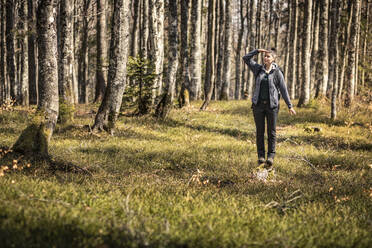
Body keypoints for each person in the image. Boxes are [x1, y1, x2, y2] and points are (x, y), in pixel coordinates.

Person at [243, 48, 296, 167]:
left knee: (272, 132)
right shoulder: (258, 69)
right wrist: (257, 51)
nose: (265, 58)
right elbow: (245, 58)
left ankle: (271, 156)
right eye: (265, 56)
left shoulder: (277, 72)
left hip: (272, 107)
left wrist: (290, 106)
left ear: (273, 59)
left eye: (268, 56)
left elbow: (283, 90)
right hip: (258, 106)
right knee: (260, 132)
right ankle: (261, 156)